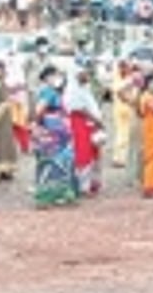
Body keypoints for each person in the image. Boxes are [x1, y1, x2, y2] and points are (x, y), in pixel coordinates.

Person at [32, 66, 78, 208]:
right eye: (55, 75)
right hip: (52, 134)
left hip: (59, 133)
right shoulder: (48, 92)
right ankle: (47, 197)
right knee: (52, 163)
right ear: (47, 77)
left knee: (61, 163)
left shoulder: (53, 92)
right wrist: (39, 126)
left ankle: (60, 194)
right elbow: (39, 109)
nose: (58, 78)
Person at [66, 67, 105, 197]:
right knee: (83, 153)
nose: (86, 76)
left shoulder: (85, 89)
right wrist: (96, 119)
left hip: (90, 124)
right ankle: (83, 186)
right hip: (80, 124)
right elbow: (80, 109)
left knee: (94, 154)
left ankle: (92, 183)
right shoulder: (72, 91)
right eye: (83, 74)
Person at [111, 61, 135, 167]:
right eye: (124, 67)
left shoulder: (123, 79)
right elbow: (119, 93)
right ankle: (120, 158)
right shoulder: (123, 79)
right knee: (123, 134)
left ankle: (120, 158)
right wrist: (130, 102)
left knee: (123, 134)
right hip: (123, 108)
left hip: (123, 109)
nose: (126, 69)